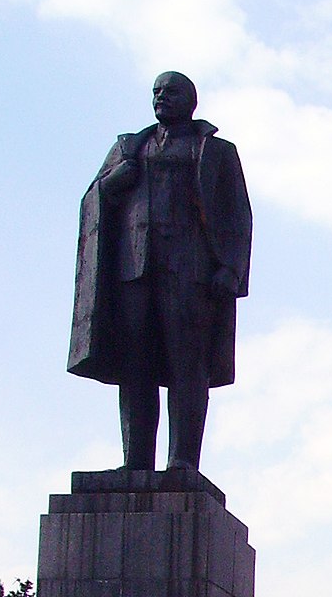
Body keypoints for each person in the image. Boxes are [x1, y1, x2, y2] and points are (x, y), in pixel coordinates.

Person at [68, 71, 252, 473]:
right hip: (135, 269)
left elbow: (239, 217)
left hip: (192, 273)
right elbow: (94, 198)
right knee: (135, 365)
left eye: (170, 92)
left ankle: (182, 460)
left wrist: (231, 270)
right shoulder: (129, 147)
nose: (161, 98)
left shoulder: (216, 151)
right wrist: (116, 180)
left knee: (188, 365)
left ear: (191, 100)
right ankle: (134, 462)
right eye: (156, 92)